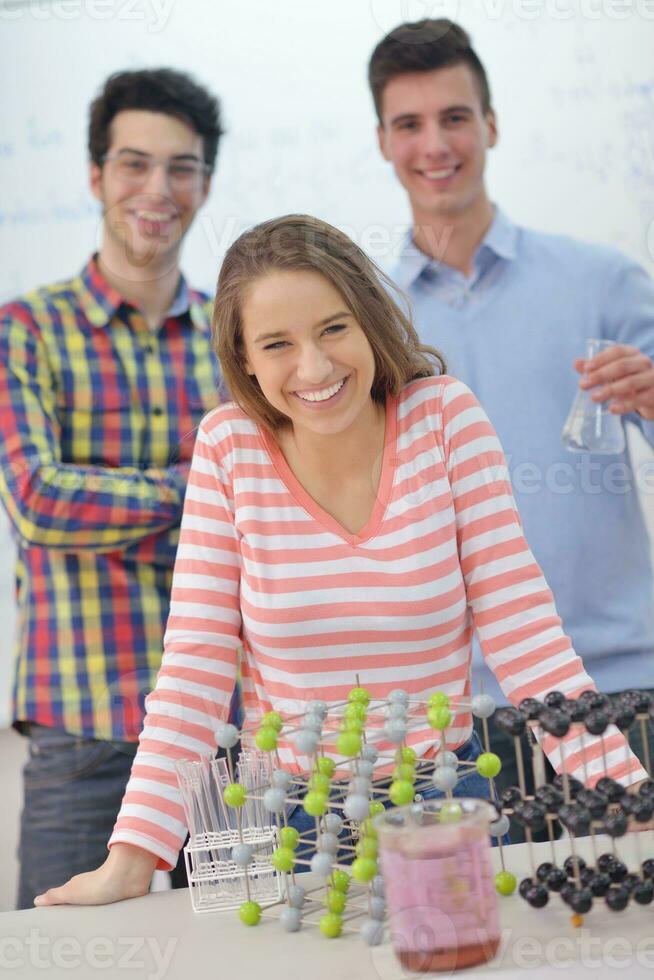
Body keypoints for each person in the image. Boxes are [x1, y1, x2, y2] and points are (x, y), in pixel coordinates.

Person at [32, 214, 647, 907]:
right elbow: (194, 671)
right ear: (245, 358)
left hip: (447, 802)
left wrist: (630, 797)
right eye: (278, 344)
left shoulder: (445, 420)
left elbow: (527, 638)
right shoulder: (229, 448)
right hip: (295, 824)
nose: (316, 368)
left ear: (368, 320)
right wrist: (134, 858)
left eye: (333, 328)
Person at [368, 19, 654, 821]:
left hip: (622, 683)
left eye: (455, 117)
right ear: (384, 142)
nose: (436, 144)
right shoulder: (365, 326)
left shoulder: (601, 279)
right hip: (460, 724)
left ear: (490, 124)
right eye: (409, 124)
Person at [0, 68, 228, 908]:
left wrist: (133, 500)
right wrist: (201, 491)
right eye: (135, 164)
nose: (157, 189)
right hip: (81, 731)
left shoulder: (238, 336)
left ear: (205, 184)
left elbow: (275, 504)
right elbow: (39, 500)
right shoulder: (22, 330)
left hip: (225, 739)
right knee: (62, 959)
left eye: (182, 167)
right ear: (96, 176)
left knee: (249, 959)